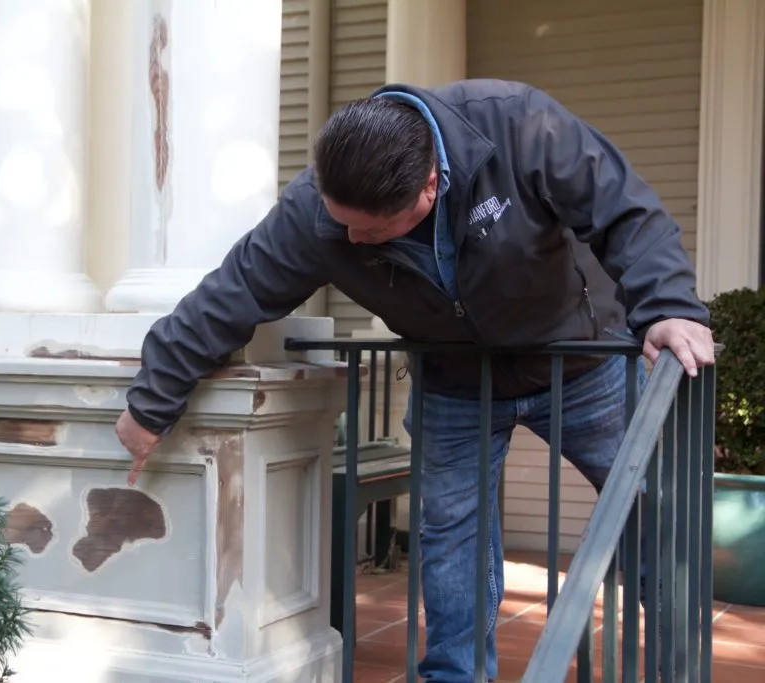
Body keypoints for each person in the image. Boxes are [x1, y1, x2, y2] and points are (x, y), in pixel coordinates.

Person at [114, 79, 716, 682]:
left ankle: (677, 662)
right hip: (454, 380)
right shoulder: (317, 211)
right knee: (451, 535)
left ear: (429, 188)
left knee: (654, 504)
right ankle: (456, 676)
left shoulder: (515, 125)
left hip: (581, 362)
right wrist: (151, 403)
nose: (348, 240)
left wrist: (668, 305)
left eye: (370, 231)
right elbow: (234, 292)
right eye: (339, 222)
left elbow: (624, 210)